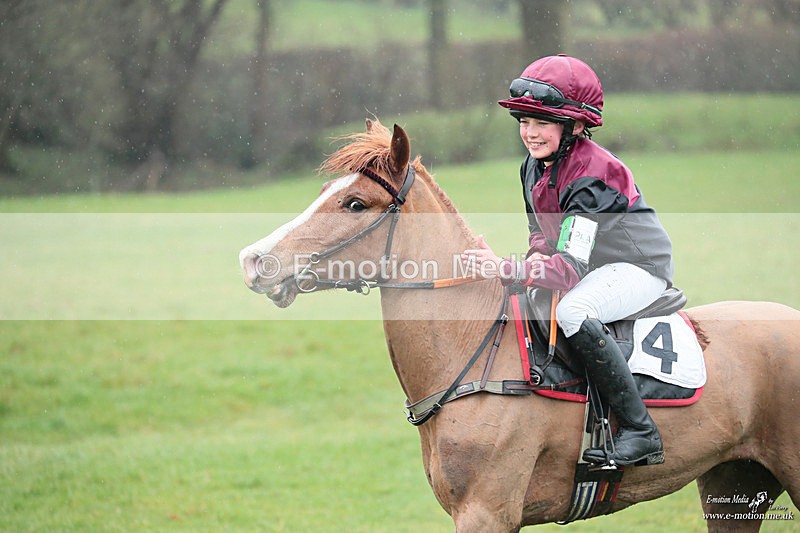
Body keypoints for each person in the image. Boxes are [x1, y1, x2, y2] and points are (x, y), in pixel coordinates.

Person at [462, 54, 674, 467]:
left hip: (638, 268)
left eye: (541, 122)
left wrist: (507, 270)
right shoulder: (532, 166)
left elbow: (569, 268)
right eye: (523, 121)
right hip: (593, 265)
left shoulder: (594, 174)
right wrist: (522, 270)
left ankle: (641, 431)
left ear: (576, 125)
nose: (529, 133)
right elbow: (542, 237)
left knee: (575, 310)